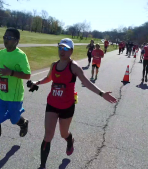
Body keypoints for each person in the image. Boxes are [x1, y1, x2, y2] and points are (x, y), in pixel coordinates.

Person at [29, 38, 117, 169]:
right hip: (52, 104)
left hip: (67, 106)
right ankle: (42, 166)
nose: (62, 51)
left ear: (71, 51)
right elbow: (49, 78)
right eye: (60, 48)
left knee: (63, 133)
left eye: (65, 48)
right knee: (48, 135)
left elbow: (86, 82)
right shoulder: (54, 65)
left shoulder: (74, 66)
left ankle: (69, 140)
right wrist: (37, 82)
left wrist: (102, 93)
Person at [0, 28, 31, 165]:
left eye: (9, 38)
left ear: (16, 41)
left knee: (14, 119)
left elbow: (27, 75)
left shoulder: (21, 56)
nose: (6, 40)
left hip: (15, 96)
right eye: (5, 37)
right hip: (0, 93)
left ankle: (23, 123)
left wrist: (10, 72)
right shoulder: (1, 52)